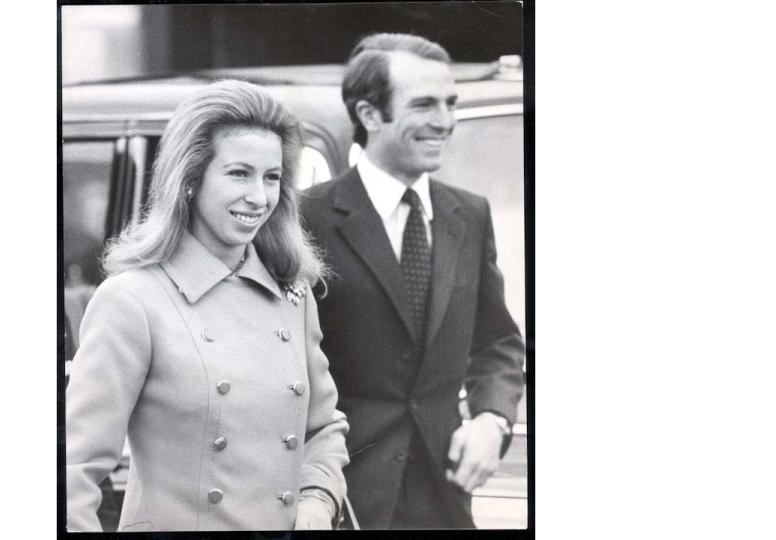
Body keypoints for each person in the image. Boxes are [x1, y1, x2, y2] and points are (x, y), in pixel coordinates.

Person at [65, 80, 349, 532]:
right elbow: (72, 473)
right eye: (239, 173)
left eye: (272, 177)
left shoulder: (290, 292)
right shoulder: (132, 300)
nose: (259, 197)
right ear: (191, 179)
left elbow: (323, 429)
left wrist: (316, 502)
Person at [299, 33, 525, 529]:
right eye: (424, 104)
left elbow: (497, 339)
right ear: (369, 114)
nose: (444, 122)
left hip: (446, 502)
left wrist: (492, 418)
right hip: (343, 502)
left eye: (450, 103)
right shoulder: (305, 218)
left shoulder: (468, 213)